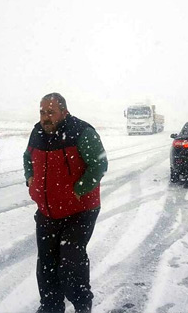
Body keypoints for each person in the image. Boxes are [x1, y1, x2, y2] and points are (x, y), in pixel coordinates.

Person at [23, 92, 108, 313]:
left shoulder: (82, 132)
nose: (45, 117)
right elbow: (27, 157)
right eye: (42, 112)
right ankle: (51, 306)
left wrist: (79, 190)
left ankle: (82, 305)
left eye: (51, 112)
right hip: (47, 211)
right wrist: (30, 179)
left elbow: (99, 165)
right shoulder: (37, 132)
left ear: (64, 112)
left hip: (80, 211)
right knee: (47, 264)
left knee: (71, 261)